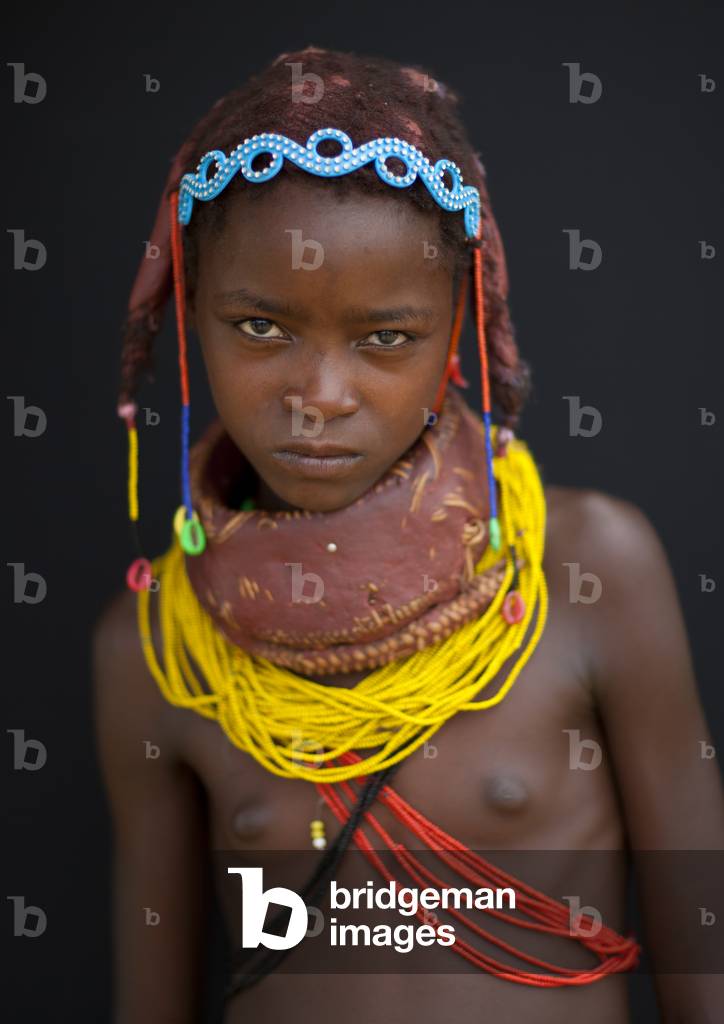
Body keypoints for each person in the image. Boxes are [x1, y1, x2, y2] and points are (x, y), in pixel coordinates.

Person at [93, 46, 724, 1024]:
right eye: (260, 326)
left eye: (385, 337)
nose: (320, 397)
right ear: (187, 316)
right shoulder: (154, 648)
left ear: (458, 329)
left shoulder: (588, 566)